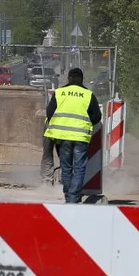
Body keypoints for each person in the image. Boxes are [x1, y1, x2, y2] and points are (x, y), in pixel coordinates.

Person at [44, 68, 101, 203]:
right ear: (82, 80)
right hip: (81, 137)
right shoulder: (88, 94)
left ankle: (68, 197)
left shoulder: (60, 93)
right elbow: (97, 117)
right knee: (79, 168)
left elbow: (49, 113)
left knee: (66, 167)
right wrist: (86, 123)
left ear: (68, 79)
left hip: (63, 137)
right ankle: (74, 198)